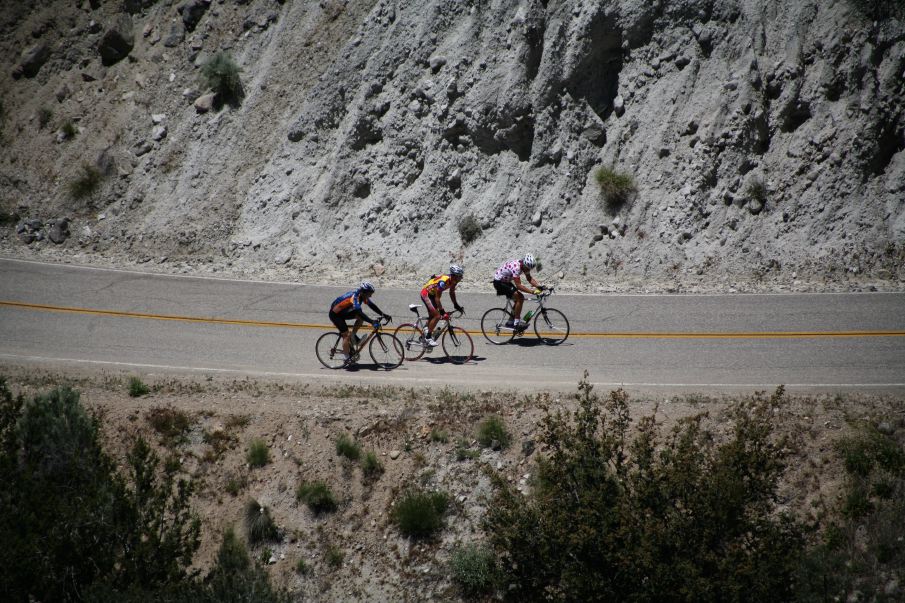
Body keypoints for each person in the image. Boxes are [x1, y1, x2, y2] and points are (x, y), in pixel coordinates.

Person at [328, 281, 391, 364]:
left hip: (344, 312)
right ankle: (347, 358)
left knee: (360, 319)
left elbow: (372, 305)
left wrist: (383, 314)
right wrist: (372, 322)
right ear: (364, 292)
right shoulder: (354, 298)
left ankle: (353, 336)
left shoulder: (362, 295)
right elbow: (359, 312)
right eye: (369, 294)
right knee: (346, 335)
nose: (370, 295)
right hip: (335, 315)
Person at [492, 254, 544, 329]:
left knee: (518, 300)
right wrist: (532, 292)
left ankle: (510, 322)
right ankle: (516, 323)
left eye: (529, 269)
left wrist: (538, 286)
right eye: (527, 268)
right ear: (524, 265)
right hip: (499, 283)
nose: (528, 270)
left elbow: (529, 278)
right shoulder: (516, 268)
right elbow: (519, 286)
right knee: (520, 297)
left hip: (505, 281)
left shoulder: (524, 266)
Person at [420, 264, 464, 347]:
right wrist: (442, 311)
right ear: (454, 275)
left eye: (461, 276)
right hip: (426, 294)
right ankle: (428, 338)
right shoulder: (443, 282)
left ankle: (425, 331)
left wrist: (456, 305)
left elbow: (452, 292)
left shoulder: (454, 281)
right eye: (460, 276)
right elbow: (437, 298)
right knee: (437, 316)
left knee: (433, 315)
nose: (461, 278)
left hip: (432, 294)